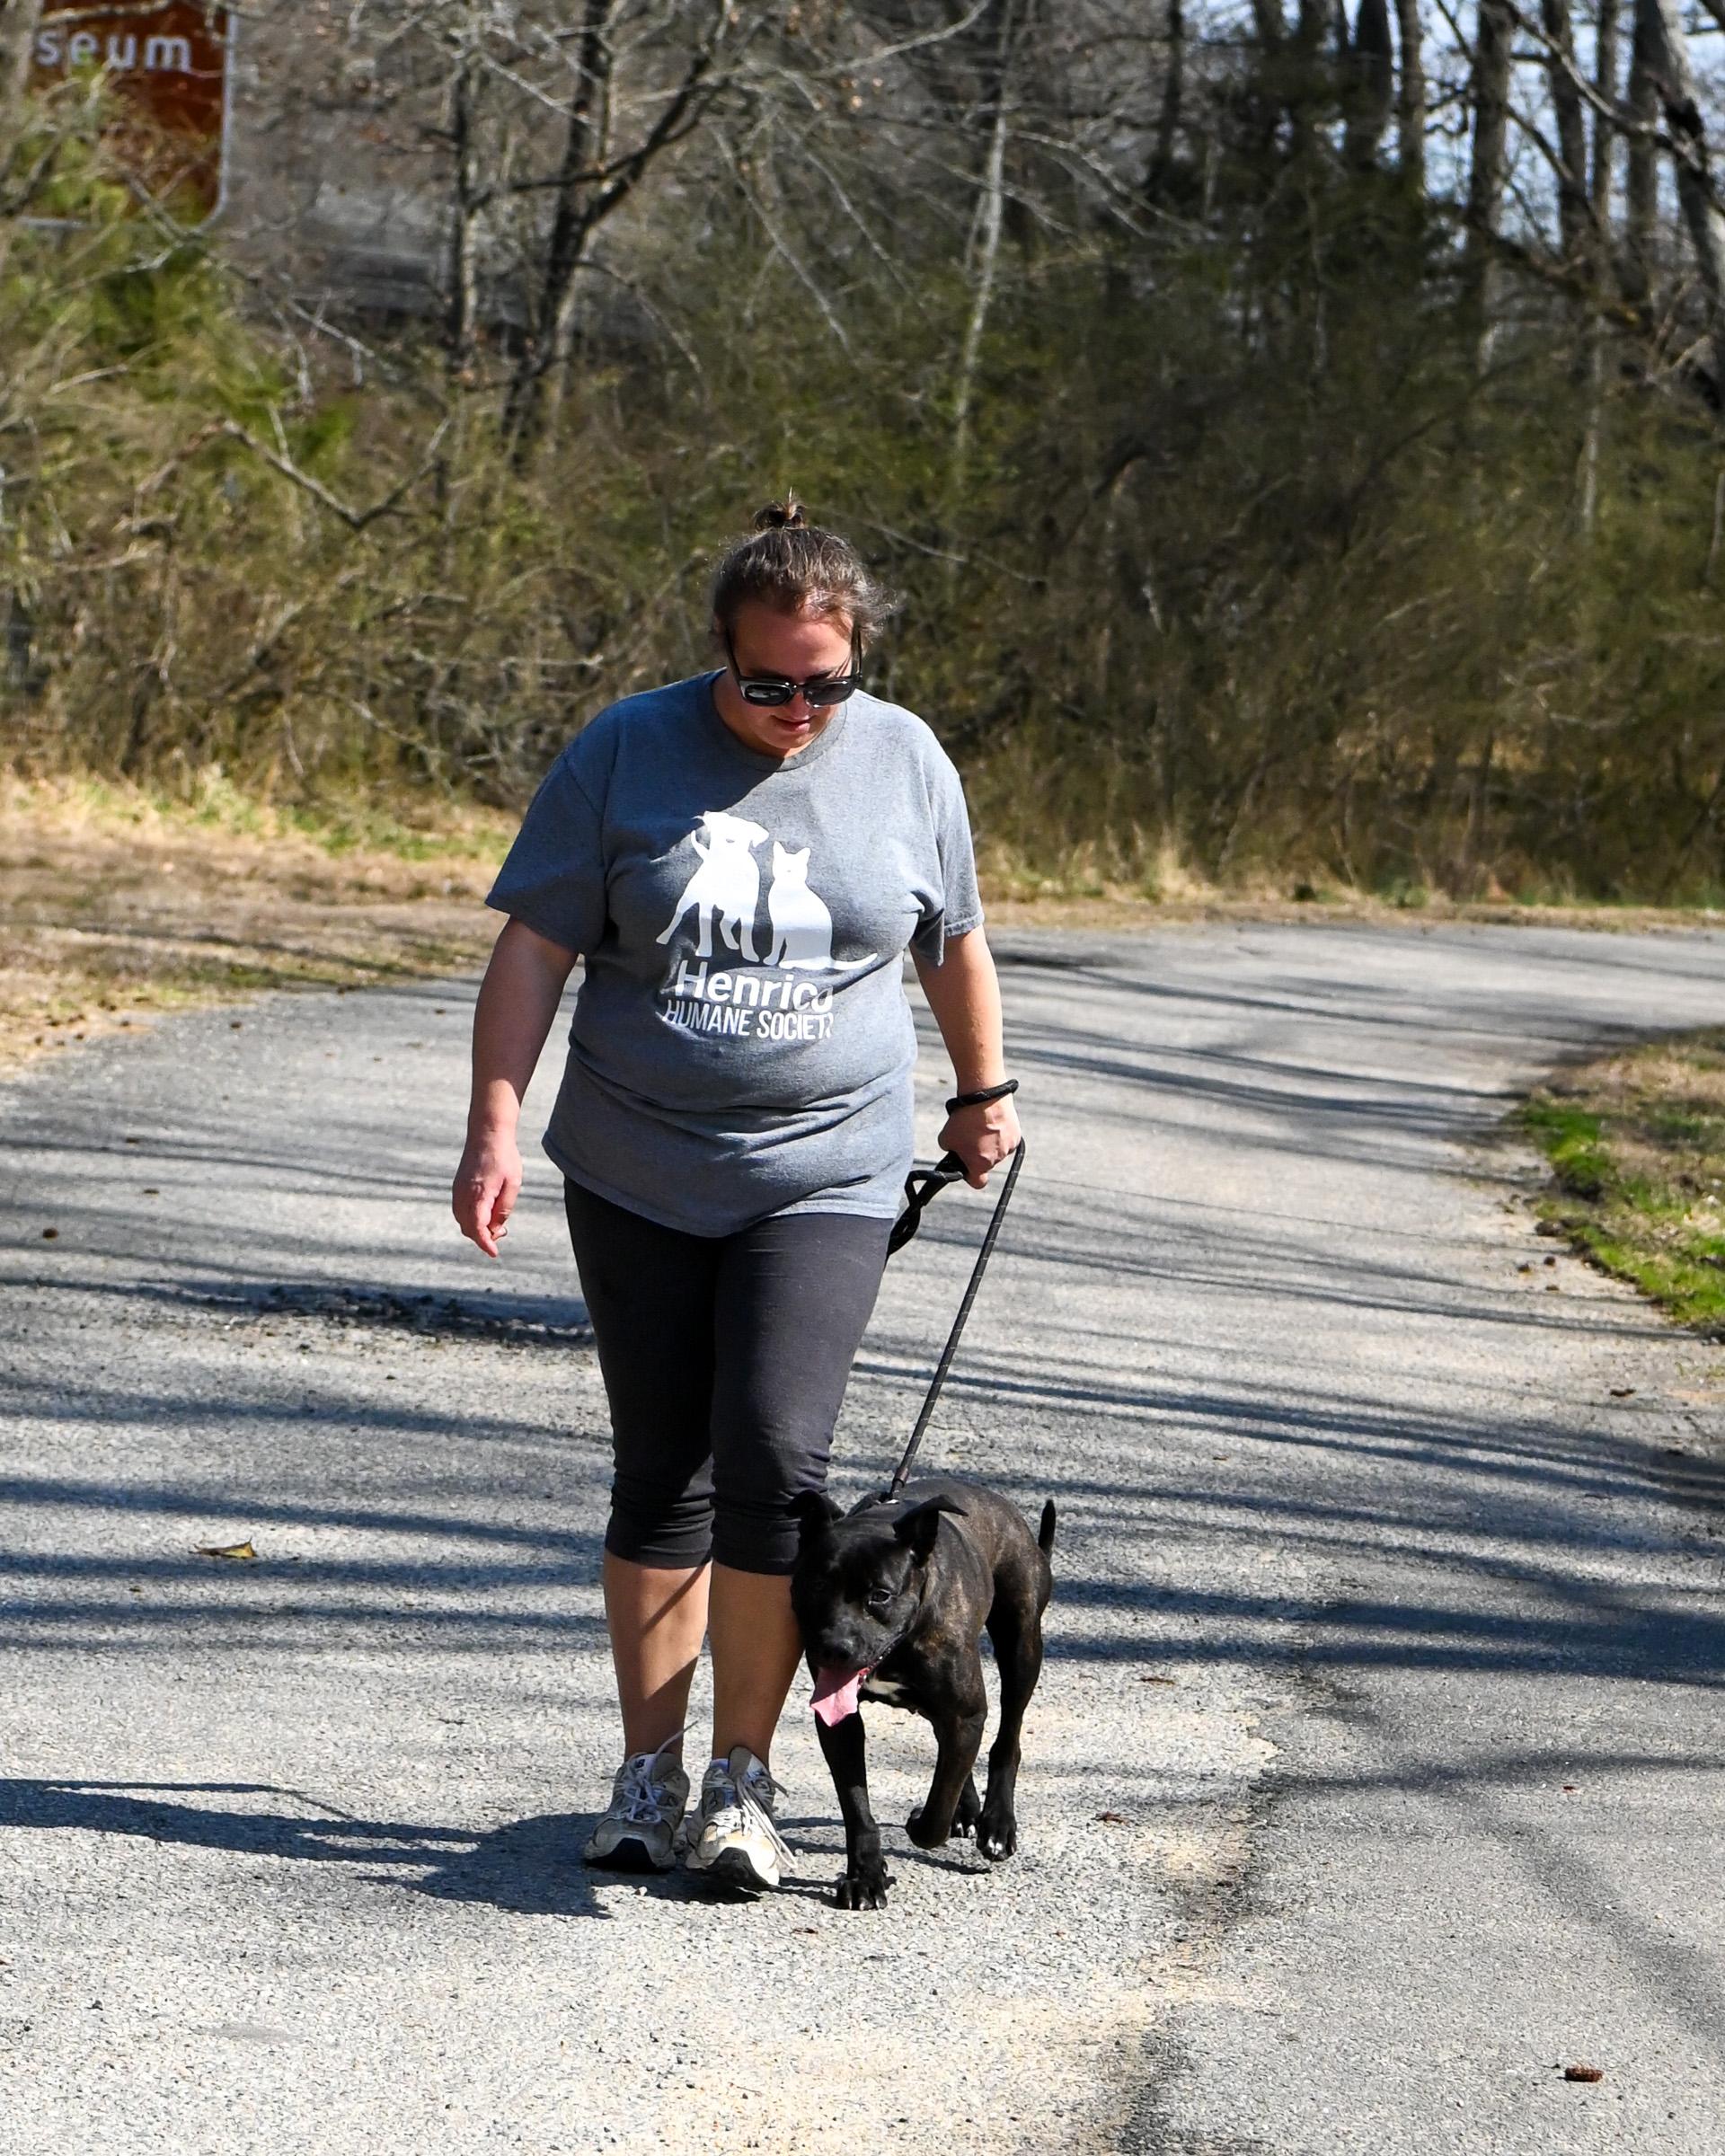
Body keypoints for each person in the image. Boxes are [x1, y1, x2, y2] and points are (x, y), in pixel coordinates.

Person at [451, 499, 1021, 1895]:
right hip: (637, 1162)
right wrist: (494, 1125)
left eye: (826, 685)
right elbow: (534, 949)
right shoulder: (626, 748)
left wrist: (981, 1090)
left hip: (825, 1169)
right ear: (722, 652)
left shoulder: (906, 759)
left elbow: (952, 939)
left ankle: (742, 1781)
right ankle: (648, 1774)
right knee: (663, 1470)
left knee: (774, 1461)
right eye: (767, 685)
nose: (797, 712)